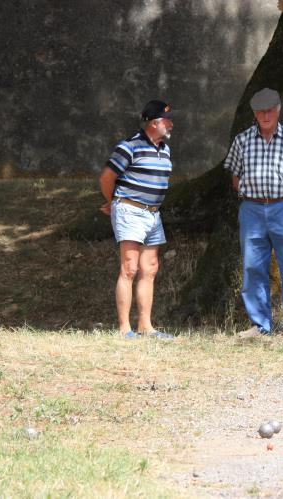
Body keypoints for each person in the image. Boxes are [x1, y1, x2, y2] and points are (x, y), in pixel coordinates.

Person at [223, 87, 283, 339]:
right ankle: (259, 325)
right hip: (252, 208)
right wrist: (254, 195)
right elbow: (235, 177)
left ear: (278, 110)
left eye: (269, 110)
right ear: (254, 113)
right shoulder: (242, 141)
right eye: (260, 111)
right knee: (253, 266)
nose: (265, 115)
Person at [98, 99, 176, 339]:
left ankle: (145, 326)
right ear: (154, 123)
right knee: (129, 267)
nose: (172, 124)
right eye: (167, 120)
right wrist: (114, 202)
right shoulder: (129, 146)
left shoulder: (164, 148)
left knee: (149, 268)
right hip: (130, 210)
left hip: (153, 213)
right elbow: (106, 177)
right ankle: (124, 329)